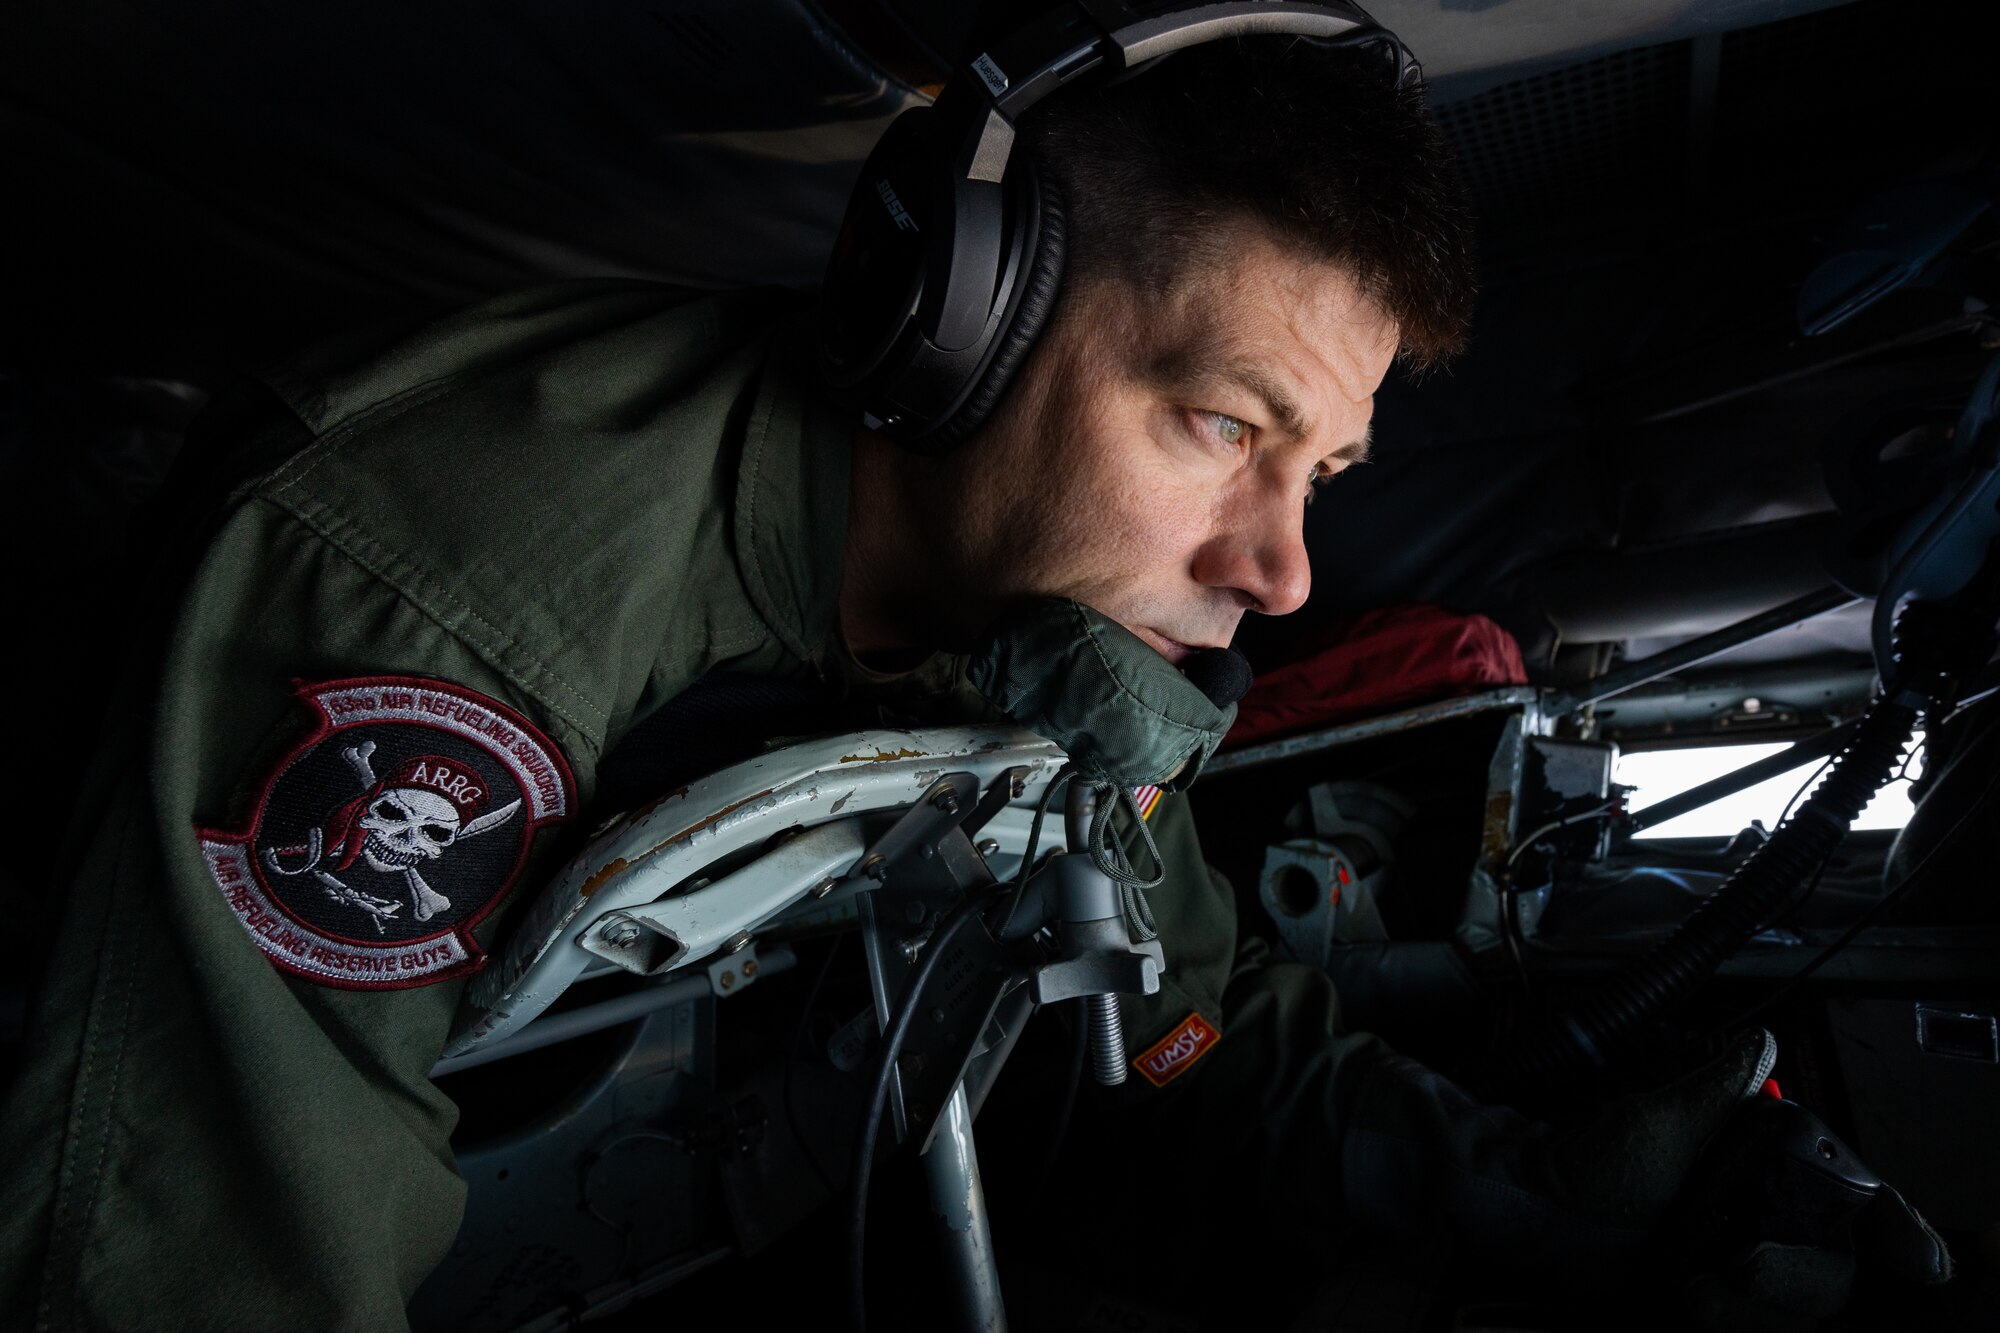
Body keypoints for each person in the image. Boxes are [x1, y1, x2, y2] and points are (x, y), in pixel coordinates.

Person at [0, 17, 1947, 1332]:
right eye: (1216, 422)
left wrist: (1534, 1190)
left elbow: (1194, 1033)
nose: (1279, 571)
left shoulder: (1053, 651)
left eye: (1321, 476)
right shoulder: (443, 579)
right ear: (958, 324)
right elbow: (189, 1261)